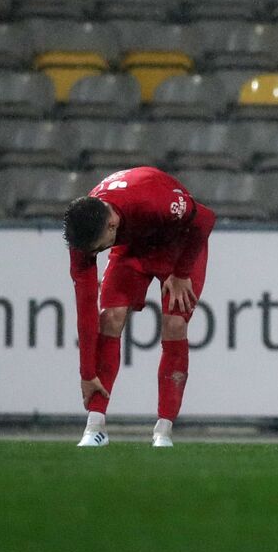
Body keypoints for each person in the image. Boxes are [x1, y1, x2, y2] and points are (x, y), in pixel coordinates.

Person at [63, 166, 216, 447]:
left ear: (111, 226)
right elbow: (85, 310)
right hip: (133, 246)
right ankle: (95, 427)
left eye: (99, 249)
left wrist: (181, 272)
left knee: (174, 324)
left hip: (178, 243)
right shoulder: (83, 235)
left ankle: (163, 431)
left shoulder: (152, 200)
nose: (96, 255)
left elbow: (205, 219)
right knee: (109, 318)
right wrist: (87, 374)